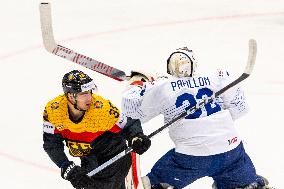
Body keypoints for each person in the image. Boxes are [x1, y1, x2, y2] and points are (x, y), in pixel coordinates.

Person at [121, 47, 273, 189]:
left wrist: (137, 84)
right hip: (231, 153)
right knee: (244, 184)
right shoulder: (216, 78)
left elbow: (134, 111)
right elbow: (240, 109)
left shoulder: (163, 88)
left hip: (190, 159)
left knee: (154, 182)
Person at [42, 70, 151, 189]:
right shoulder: (54, 111)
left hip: (114, 157)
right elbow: (52, 145)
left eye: (89, 92)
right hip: (89, 159)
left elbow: (128, 124)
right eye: (83, 93)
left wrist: (137, 136)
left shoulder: (101, 110)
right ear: (70, 96)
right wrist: (66, 166)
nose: (89, 97)